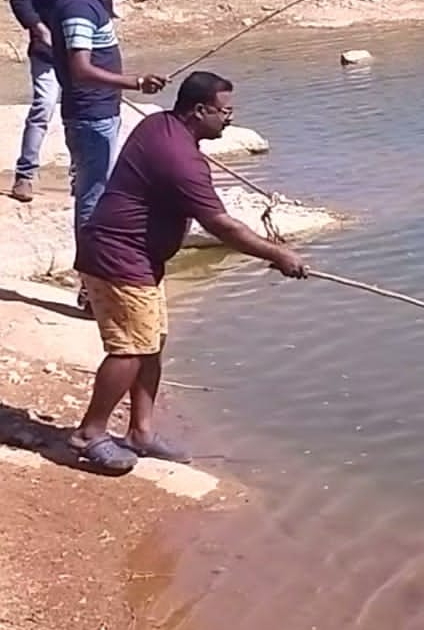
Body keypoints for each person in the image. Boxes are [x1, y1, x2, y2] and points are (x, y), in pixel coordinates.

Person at [70, 71, 307, 472]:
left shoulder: (160, 125)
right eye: (224, 111)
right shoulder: (181, 160)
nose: (229, 119)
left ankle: (140, 432)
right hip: (118, 257)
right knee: (130, 348)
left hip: (140, 259)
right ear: (200, 110)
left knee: (152, 342)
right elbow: (221, 225)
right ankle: (90, 432)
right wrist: (278, 254)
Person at [51, 0, 167, 311]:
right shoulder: (78, 6)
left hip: (102, 111)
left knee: (96, 192)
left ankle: (94, 281)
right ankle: (91, 286)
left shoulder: (92, 0)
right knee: (93, 198)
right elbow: (81, 69)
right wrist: (134, 82)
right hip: (89, 115)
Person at [6, 0, 108, 204]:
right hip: (48, 51)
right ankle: (25, 175)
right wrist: (38, 28)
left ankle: (81, 177)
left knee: (80, 114)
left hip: (82, 52)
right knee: (44, 106)